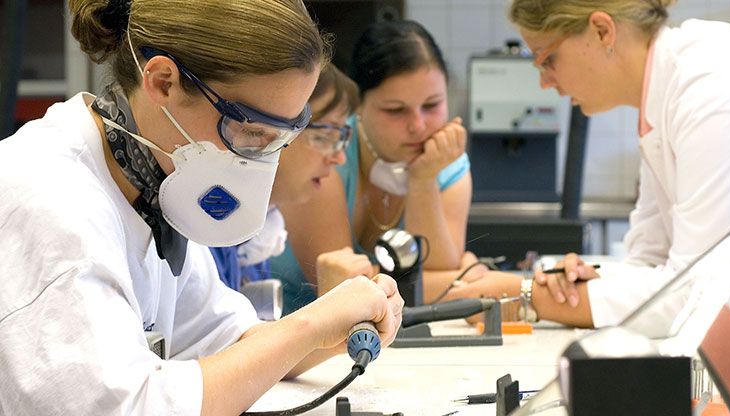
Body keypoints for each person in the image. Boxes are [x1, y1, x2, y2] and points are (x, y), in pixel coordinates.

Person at [0, 1, 403, 415]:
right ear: (163, 82)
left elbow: (228, 343)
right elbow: (125, 407)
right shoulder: (51, 200)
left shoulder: (150, 180)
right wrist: (308, 327)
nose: (261, 158)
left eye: (281, 138)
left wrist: (332, 326)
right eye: (248, 130)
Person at [443, 0, 730, 329]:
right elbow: (648, 264)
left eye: (548, 59)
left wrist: (526, 297)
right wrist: (573, 283)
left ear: (602, 31)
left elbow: (697, 294)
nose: (544, 82)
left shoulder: (710, 87)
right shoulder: (662, 97)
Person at [272, 20, 473, 314]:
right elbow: (348, 293)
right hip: (296, 338)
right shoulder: (327, 155)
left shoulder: (448, 161)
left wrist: (424, 180)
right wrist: (466, 281)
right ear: (359, 106)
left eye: (432, 105)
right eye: (395, 110)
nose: (418, 126)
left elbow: (434, 285)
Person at [209, 63, 358, 291]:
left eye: (340, 138)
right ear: (261, 132)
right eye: (323, 137)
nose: (339, 158)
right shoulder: (206, 234)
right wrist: (333, 304)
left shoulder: (257, 227)